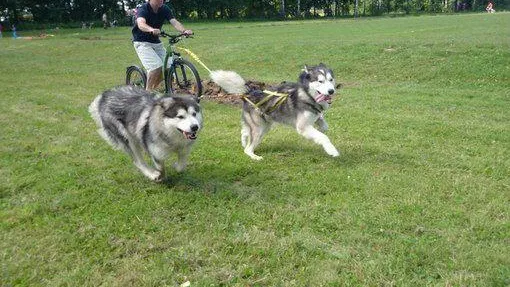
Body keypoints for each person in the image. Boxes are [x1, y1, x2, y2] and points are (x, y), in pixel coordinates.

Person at [132, 0, 193, 91]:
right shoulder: (143, 9)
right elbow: (141, 24)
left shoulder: (164, 8)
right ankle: (146, 94)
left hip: (156, 42)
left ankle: (164, 90)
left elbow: (174, 22)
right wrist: (151, 29)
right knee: (156, 67)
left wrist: (184, 31)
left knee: (168, 67)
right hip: (142, 42)